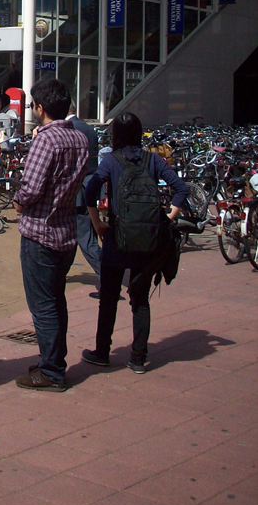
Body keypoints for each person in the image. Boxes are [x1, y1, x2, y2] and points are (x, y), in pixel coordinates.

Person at [84, 112, 188, 374]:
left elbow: (90, 190)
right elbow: (181, 188)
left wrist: (97, 223)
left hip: (117, 237)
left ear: (116, 135)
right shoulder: (153, 160)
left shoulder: (111, 160)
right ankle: (138, 358)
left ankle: (102, 352)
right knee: (140, 299)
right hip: (148, 239)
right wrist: (168, 217)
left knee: (108, 297)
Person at [13, 79, 89, 392]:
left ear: (41, 108)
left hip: (40, 232)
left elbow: (31, 187)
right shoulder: (80, 138)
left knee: (43, 305)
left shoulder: (47, 140)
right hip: (66, 230)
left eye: (33, 105)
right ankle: (52, 359)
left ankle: (52, 370)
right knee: (56, 301)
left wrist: (17, 199)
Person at [66, 102, 102, 297]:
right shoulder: (89, 128)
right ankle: (60, 271)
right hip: (89, 187)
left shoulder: (72, 129)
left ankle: (107, 277)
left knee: (86, 239)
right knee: (74, 237)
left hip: (79, 191)